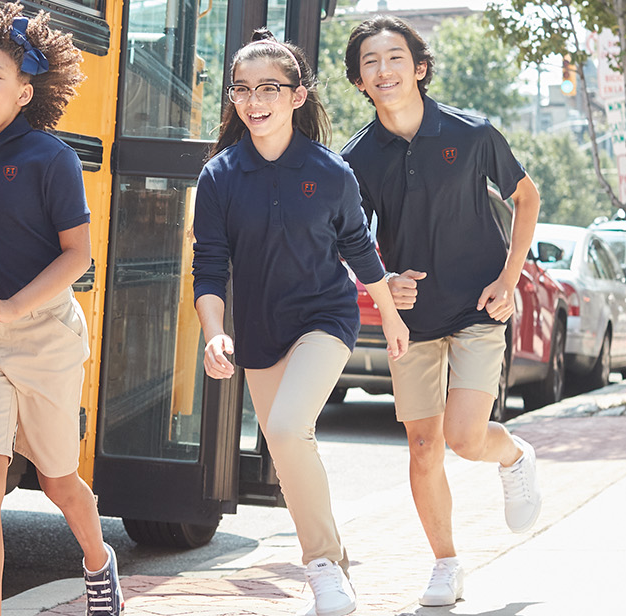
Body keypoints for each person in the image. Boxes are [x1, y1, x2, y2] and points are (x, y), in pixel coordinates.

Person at [192, 30, 411, 616]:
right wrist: (214, 331)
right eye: (242, 89)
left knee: (288, 429)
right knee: (287, 451)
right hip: (259, 334)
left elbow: (362, 253)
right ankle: (335, 560)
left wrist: (389, 318)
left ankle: (319, 568)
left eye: (269, 88)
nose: (253, 100)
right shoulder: (219, 177)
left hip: (325, 317)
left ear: (297, 95)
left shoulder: (331, 172)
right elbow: (209, 268)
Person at [338, 15, 544, 609]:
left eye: (395, 58)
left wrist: (510, 277)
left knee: (463, 437)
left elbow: (525, 197)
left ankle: (514, 455)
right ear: (359, 81)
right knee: (424, 447)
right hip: (413, 322)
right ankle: (446, 564)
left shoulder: (472, 133)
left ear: (419, 68)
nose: (384, 70)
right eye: (370, 62)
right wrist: (382, 282)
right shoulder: (357, 158)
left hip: (479, 305)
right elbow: (349, 238)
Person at [0, 2, 119, 615]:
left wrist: (12, 307)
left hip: (46, 336)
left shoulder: (50, 158)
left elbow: (76, 256)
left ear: (24, 91)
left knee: (59, 480)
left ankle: (97, 560)